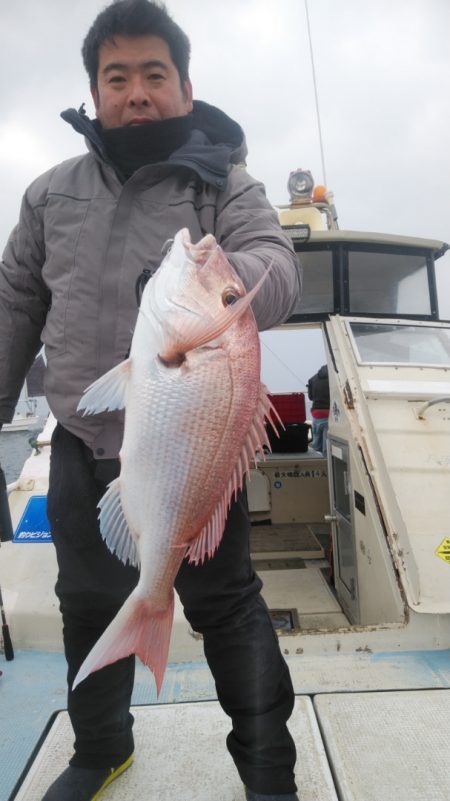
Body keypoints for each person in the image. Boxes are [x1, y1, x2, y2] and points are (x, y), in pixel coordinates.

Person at [0, 3, 302, 800]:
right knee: (84, 603)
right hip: (78, 445)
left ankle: (269, 773)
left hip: (192, 451)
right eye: (117, 76)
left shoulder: (226, 187)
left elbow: (273, 263)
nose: (137, 91)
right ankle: (101, 749)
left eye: (154, 75)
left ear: (186, 86)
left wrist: (221, 293)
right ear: (94, 92)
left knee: (231, 610)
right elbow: (15, 309)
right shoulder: (47, 194)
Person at [307, 365, 330, 455]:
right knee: (326, 447)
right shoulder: (332, 379)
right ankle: (325, 464)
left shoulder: (312, 379)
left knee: (316, 445)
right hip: (328, 415)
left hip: (316, 414)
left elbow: (310, 397)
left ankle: (316, 466)